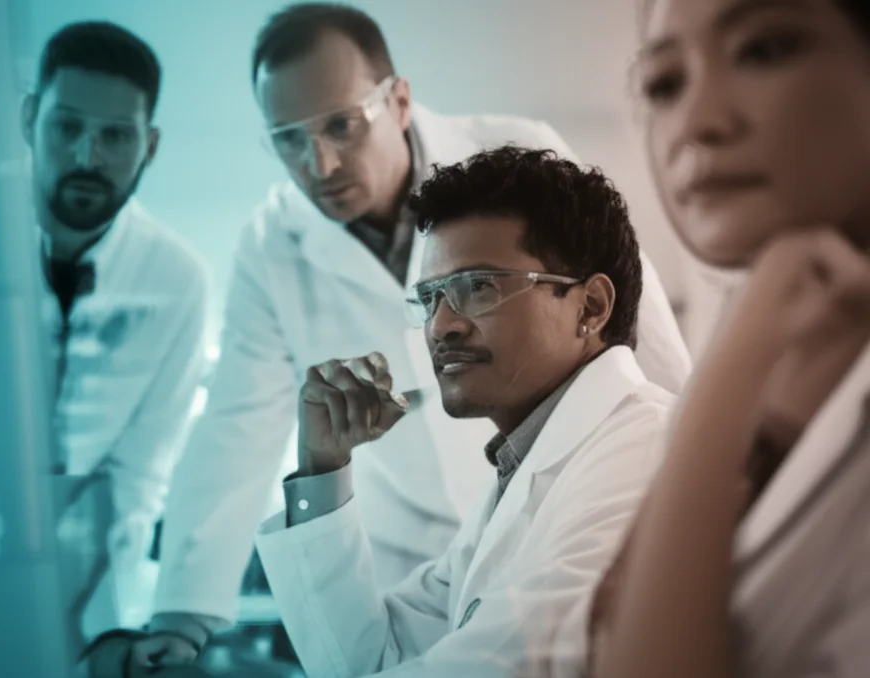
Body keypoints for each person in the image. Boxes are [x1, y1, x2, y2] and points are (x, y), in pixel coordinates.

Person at [137, 2, 691, 666]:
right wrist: (184, 611)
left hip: (578, 473)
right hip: (444, 531)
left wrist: (692, 447)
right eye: (288, 139)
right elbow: (234, 426)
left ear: (398, 101)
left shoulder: (516, 164)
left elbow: (635, 330)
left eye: (340, 125)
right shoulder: (272, 245)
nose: (319, 163)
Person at [249, 145, 675, 678]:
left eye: (478, 287)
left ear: (590, 306)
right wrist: (322, 469)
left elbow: (517, 666)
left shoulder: (645, 452)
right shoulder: (519, 475)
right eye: (430, 298)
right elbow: (376, 658)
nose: (441, 326)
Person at [588, 1, 870, 677]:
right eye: (664, 83)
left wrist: (725, 379)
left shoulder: (743, 365)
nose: (697, 120)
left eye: (764, 49)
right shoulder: (795, 363)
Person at [22, 20, 208, 643]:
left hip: (91, 589)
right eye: (67, 127)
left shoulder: (177, 279)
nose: (87, 157)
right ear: (29, 119)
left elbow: (141, 475)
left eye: (115, 135)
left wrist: (99, 631)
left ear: (149, 145)